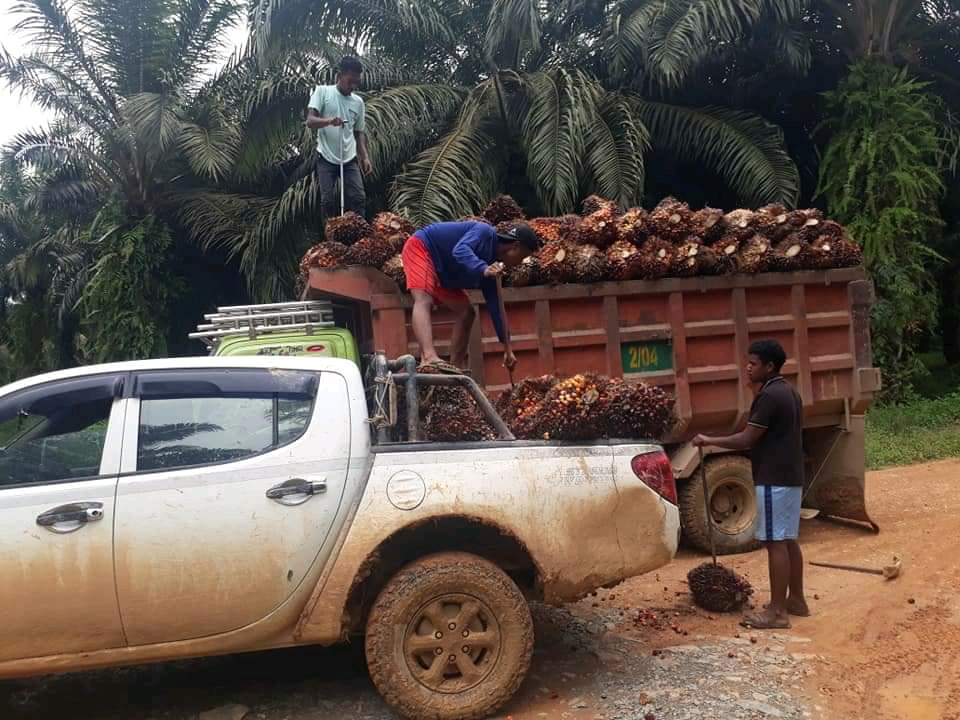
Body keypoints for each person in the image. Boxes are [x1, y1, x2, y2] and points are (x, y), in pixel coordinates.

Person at [693, 339, 809, 630]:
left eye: (753, 364)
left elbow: (746, 438)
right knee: (788, 539)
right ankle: (796, 600)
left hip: (774, 478)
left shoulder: (770, 396)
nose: (747, 367)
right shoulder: (788, 391)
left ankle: (778, 613)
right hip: (791, 476)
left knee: (774, 542)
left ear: (769, 367)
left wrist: (709, 440)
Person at [402, 220, 541, 371]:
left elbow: (496, 308)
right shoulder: (484, 232)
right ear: (515, 247)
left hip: (442, 273)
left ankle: (454, 367)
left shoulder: (492, 266)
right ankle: (428, 356)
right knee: (423, 298)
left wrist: (507, 349)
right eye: (521, 257)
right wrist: (483, 269)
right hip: (422, 248)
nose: (519, 263)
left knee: (467, 312)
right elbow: (460, 250)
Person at [305, 56, 373, 220]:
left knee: (358, 198)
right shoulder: (322, 91)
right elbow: (310, 121)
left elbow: (359, 132)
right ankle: (331, 242)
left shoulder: (358, 102)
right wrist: (329, 121)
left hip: (349, 159)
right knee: (328, 201)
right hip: (326, 158)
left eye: (356, 82)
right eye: (350, 81)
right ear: (339, 76)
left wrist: (364, 157)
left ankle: (359, 240)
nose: (353, 86)